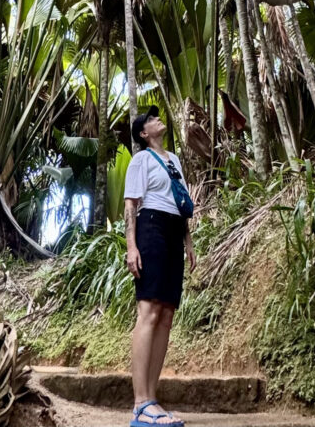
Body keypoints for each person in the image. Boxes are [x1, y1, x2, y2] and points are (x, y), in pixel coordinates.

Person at [124, 106, 196, 427]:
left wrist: (189, 243)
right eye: (151, 120)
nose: (157, 120)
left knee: (166, 313)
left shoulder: (174, 161)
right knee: (149, 310)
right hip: (150, 227)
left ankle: (152, 401)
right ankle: (140, 403)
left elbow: (181, 203)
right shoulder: (140, 160)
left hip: (172, 231)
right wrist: (131, 246)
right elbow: (131, 205)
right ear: (144, 133)